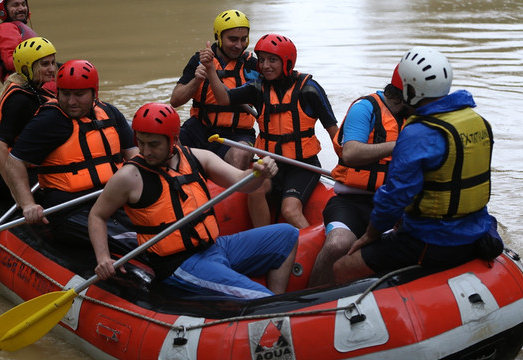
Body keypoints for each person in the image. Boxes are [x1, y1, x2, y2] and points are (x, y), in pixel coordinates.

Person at [88, 103, 299, 299]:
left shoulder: (197, 157)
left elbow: (240, 182)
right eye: (140, 143)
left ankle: (275, 306)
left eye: (154, 144)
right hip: (181, 265)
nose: (146, 151)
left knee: (287, 235)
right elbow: (97, 215)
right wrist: (103, 258)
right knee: (259, 297)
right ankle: (271, 308)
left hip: (216, 247)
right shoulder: (129, 177)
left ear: (174, 140)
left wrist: (259, 173)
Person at [332, 46, 503, 285]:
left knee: (342, 267)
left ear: (409, 90)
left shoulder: (418, 133)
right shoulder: (478, 122)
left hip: (431, 240)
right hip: (475, 232)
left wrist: (370, 235)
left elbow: (395, 196)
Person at [201, 33, 339, 229]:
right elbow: (224, 98)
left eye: (272, 60)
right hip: (269, 163)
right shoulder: (258, 87)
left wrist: (346, 165)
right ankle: (265, 240)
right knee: (254, 190)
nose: (265, 66)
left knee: (289, 210)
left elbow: (334, 132)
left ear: (287, 62)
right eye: (263, 60)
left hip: (302, 166)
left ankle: (308, 251)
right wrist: (210, 70)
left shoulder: (309, 89)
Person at [5, 59, 138, 247]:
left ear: (94, 92)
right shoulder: (49, 120)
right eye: (65, 94)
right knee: (131, 242)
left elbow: (135, 157)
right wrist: (27, 204)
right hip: (71, 209)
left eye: (79, 94)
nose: (71, 101)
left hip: (114, 200)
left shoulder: (111, 113)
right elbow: (14, 162)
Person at [308, 65, 407, 287]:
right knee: (337, 245)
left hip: (393, 203)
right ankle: (311, 299)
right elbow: (351, 153)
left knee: (400, 248)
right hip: (350, 201)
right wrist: (399, 144)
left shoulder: (419, 116)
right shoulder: (365, 108)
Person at [170, 9, 259, 170]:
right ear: (218, 37)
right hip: (199, 128)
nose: (239, 45)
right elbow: (175, 101)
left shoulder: (252, 65)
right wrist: (197, 80)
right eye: (233, 39)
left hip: (237, 134)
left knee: (241, 154)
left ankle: (231, 189)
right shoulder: (199, 60)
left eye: (243, 39)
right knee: (167, 142)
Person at [0, 36, 57, 201]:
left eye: (53, 63)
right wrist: (17, 190)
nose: (52, 69)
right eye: (45, 64)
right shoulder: (19, 100)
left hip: (28, 167)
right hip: (11, 175)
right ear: (27, 68)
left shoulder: (36, 90)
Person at [0, 0, 38, 83]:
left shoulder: (17, 28)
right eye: (15, 5)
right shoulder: (6, 28)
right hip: (23, 84)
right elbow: (12, 63)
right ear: (3, 10)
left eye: (23, 4)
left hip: (31, 80)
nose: (21, 8)